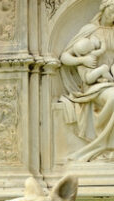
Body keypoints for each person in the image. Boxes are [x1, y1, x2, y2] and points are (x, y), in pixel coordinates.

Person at [60, 0, 114, 161]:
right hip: (94, 84)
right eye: (111, 11)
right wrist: (81, 61)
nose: (113, 16)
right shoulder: (89, 31)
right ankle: (103, 143)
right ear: (103, 9)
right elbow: (64, 56)